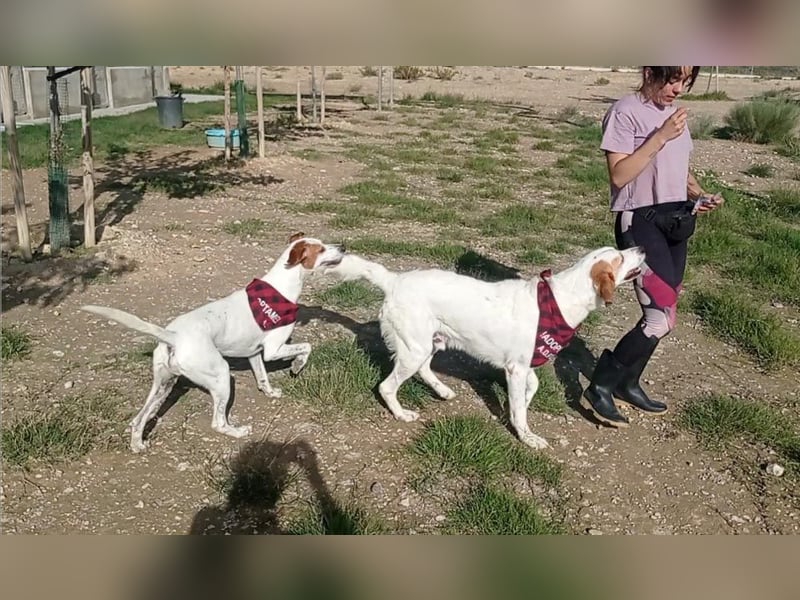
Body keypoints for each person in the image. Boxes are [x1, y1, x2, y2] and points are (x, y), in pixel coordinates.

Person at [583, 66, 724, 426]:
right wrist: (659, 136)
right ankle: (600, 386)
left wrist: (698, 194)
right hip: (639, 221)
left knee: (668, 315)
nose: (678, 89)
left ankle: (628, 383)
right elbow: (619, 175)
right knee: (658, 317)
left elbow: (680, 167)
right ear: (649, 72)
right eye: (671, 79)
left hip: (674, 219)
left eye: (685, 82)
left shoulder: (674, 116)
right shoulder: (625, 111)